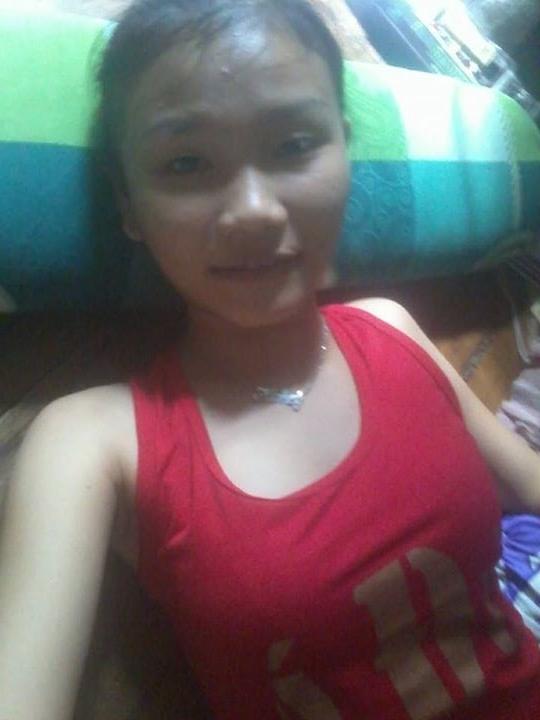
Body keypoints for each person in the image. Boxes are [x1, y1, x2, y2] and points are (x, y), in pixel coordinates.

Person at [1, 1, 540, 718]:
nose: (254, 210)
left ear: (345, 150)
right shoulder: (91, 443)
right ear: (129, 205)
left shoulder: (391, 328)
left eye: (293, 145)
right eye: (186, 163)